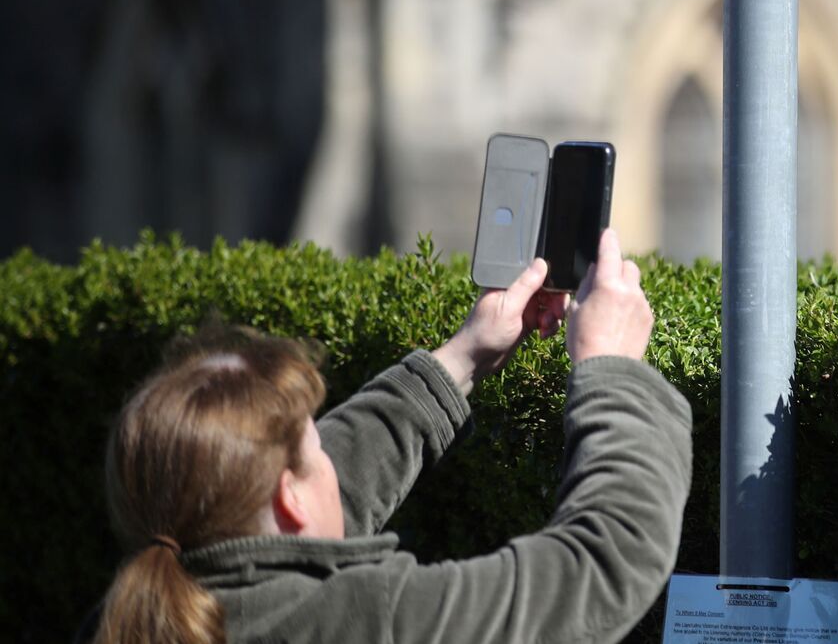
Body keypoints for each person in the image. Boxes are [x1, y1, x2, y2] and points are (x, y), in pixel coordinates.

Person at [87, 229, 690, 644]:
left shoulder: (135, 618)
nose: (332, 454)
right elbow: (607, 559)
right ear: (289, 498)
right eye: (315, 448)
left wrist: (461, 359)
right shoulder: (377, 622)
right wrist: (612, 368)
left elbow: (307, 515)